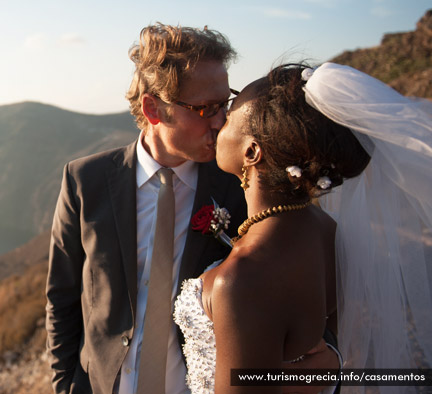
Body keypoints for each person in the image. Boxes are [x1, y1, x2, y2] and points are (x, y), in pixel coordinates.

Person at [45, 25, 337, 394]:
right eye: (205, 109)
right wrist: (64, 386)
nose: (221, 121)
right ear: (154, 108)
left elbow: (299, 280)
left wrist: (333, 362)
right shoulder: (84, 180)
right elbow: (62, 296)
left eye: (224, 104)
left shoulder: (243, 185)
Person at [173, 62, 432, 394]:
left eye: (231, 114)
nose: (220, 121)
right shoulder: (327, 229)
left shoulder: (241, 279)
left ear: (251, 152)